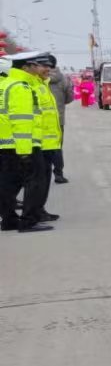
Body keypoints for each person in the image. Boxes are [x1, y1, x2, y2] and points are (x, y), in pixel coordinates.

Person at [1, 52, 62, 232]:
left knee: (8, 184)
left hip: (6, 143)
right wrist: (25, 150)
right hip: (22, 144)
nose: (41, 68)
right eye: (36, 65)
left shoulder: (5, 84)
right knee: (34, 182)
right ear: (25, 67)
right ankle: (28, 221)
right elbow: (22, 120)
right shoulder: (21, 87)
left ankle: (9, 220)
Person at [43, 60, 73, 184]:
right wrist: (60, 105)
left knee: (40, 148)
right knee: (56, 147)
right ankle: (58, 174)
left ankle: (43, 173)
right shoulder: (63, 80)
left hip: (38, 120)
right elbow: (70, 97)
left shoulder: (38, 79)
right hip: (57, 119)